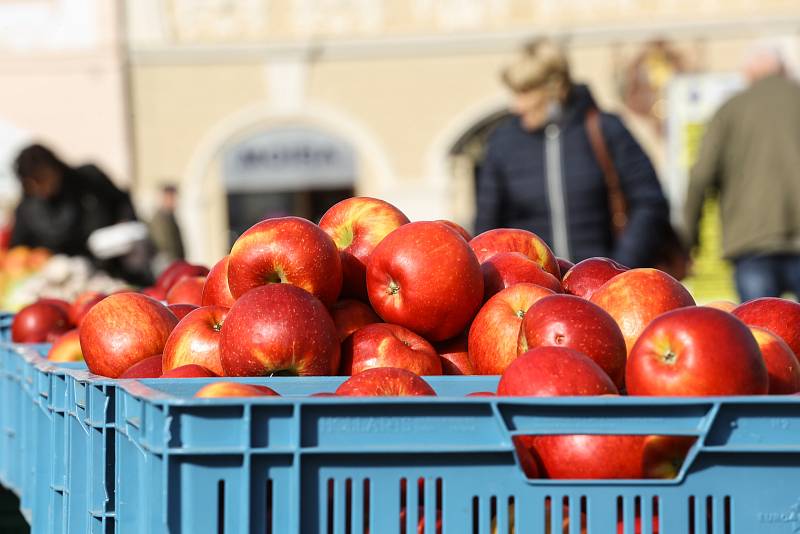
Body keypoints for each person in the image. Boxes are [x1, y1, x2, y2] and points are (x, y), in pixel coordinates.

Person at [474, 39, 672, 269]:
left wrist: (618, 266)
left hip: (601, 283)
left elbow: (649, 203)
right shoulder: (503, 144)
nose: (517, 107)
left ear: (554, 87)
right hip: (534, 286)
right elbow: (488, 226)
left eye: (526, 92)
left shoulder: (606, 130)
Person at [685, 44, 800, 301]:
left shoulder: (730, 110)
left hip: (751, 243)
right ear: (784, 69)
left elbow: (702, 175)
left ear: (748, 74)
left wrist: (689, 241)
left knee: (759, 332)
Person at [10, 143, 153, 285]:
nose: (40, 187)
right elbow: (19, 249)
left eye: (41, 177)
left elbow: (121, 201)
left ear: (54, 167)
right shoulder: (27, 209)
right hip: (67, 283)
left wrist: (125, 223)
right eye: (33, 183)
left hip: (117, 269)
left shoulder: (88, 179)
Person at [149, 184, 185, 270]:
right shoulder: (160, 219)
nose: (174, 201)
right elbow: (164, 245)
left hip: (175, 262)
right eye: (172, 198)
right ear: (165, 198)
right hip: (168, 264)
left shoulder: (170, 217)